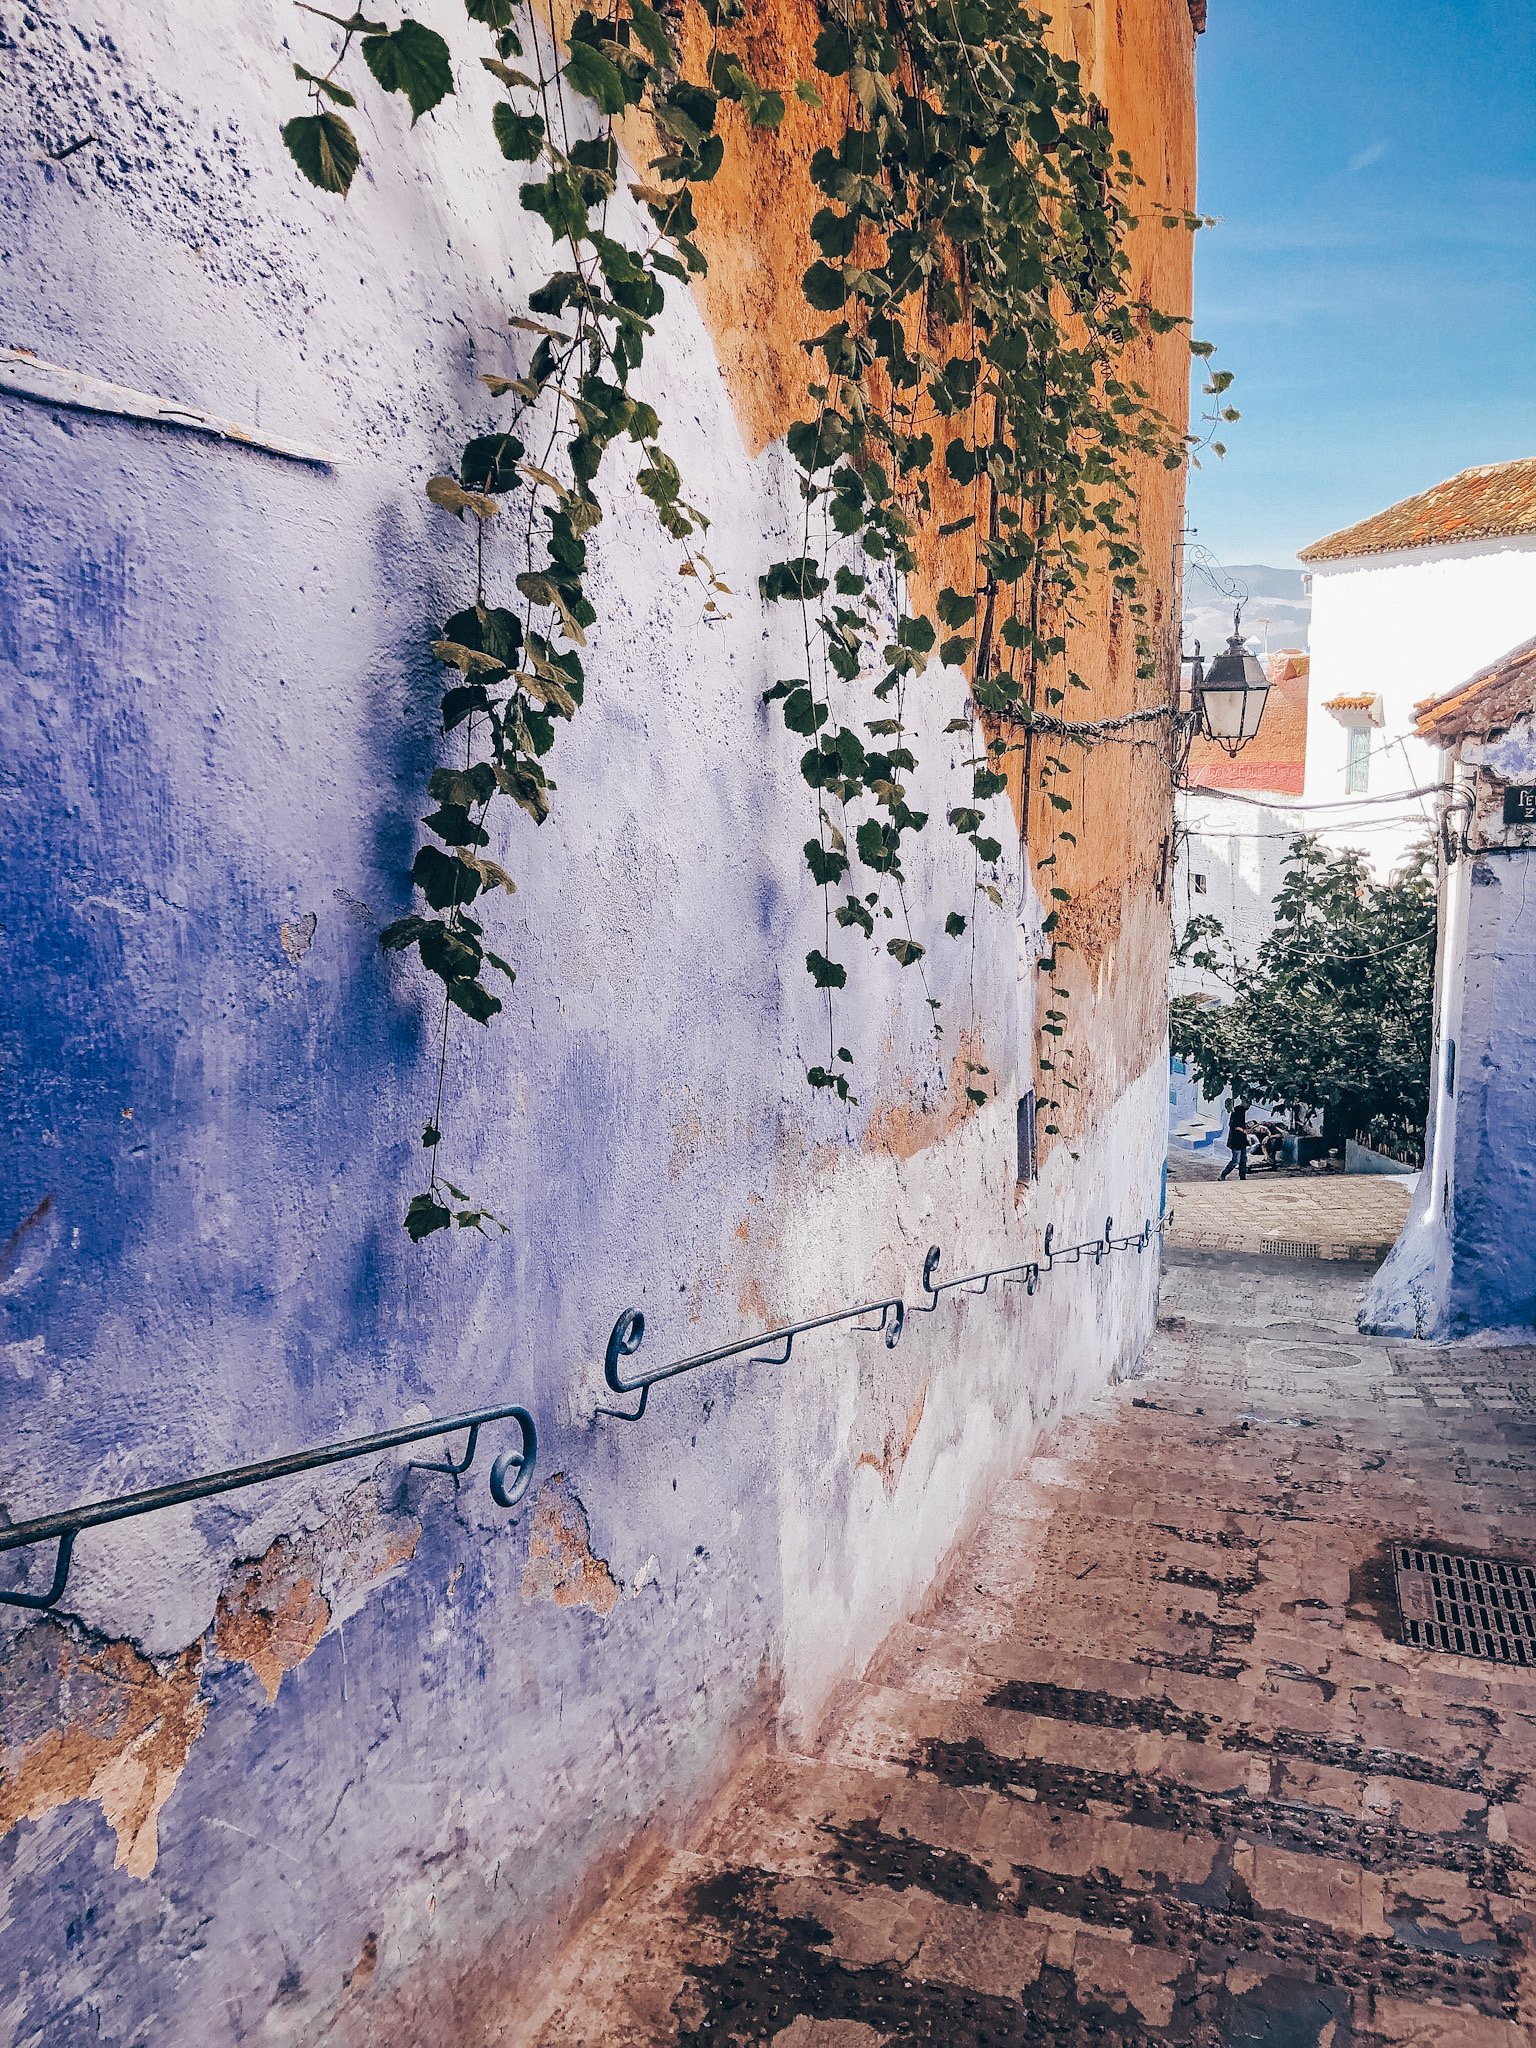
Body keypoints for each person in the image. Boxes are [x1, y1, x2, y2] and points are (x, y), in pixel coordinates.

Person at [1219, 1101, 1251, 1181]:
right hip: (1236, 1140)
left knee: (1243, 1160)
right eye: (1248, 1104)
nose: (1249, 1106)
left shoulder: (1242, 1110)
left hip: (1242, 1139)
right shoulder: (1238, 1110)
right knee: (1236, 1160)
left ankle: (1242, 1177)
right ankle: (1223, 1175)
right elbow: (1234, 1125)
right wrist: (1243, 1130)